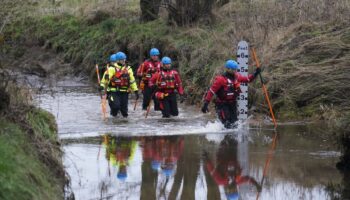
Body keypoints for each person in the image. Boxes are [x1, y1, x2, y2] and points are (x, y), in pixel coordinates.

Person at [201, 60, 261, 128]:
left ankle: (231, 138)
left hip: (232, 104)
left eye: (235, 69)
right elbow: (211, 91)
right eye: (233, 69)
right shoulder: (220, 80)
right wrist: (206, 104)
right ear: (227, 69)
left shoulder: (237, 76)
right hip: (222, 105)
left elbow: (247, 79)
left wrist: (255, 73)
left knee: (235, 124)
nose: (234, 71)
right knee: (226, 124)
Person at [203, 135, 261, 200]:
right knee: (233, 136)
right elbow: (248, 179)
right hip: (233, 154)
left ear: (227, 191)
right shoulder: (238, 181)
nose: (233, 189)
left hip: (223, 154)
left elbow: (212, 170)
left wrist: (206, 158)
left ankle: (223, 131)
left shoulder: (220, 180)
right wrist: (256, 185)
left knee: (225, 137)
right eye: (235, 191)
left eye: (231, 191)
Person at [100, 52, 139, 118]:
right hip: (114, 91)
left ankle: (122, 125)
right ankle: (113, 119)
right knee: (115, 107)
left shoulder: (128, 69)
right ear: (117, 60)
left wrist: (136, 90)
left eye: (124, 59)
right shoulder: (112, 69)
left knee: (124, 112)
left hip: (124, 92)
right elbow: (105, 79)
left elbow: (132, 81)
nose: (124, 61)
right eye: (122, 60)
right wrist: (102, 86)